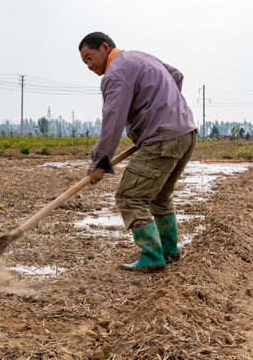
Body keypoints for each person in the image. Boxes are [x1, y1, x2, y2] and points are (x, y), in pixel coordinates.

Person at [79, 32, 197, 271]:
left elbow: (112, 120)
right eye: (85, 62)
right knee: (160, 197)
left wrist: (100, 162)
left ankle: (153, 257)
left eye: (90, 57)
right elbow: (176, 75)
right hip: (186, 133)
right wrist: (167, 108)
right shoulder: (141, 57)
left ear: (104, 47)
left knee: (130, 197)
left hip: (163, 138)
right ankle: (169, 251)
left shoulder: (115, 74)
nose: (90, 66)